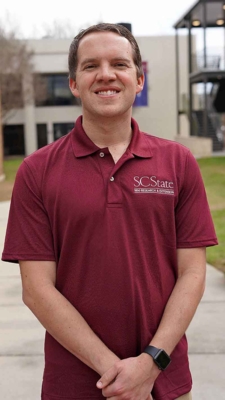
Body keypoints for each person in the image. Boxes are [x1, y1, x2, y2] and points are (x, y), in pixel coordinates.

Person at [2, 23, 218, 400]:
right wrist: (117, 374)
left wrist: (150, 363)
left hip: (164, 381)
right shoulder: (37, 171)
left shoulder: (178, 163)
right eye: (90, 66)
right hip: (75, 385)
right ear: (73, 83)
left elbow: (193, 273)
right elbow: (37, 290)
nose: (105, 74)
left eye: (118, 63)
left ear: (138, 79)